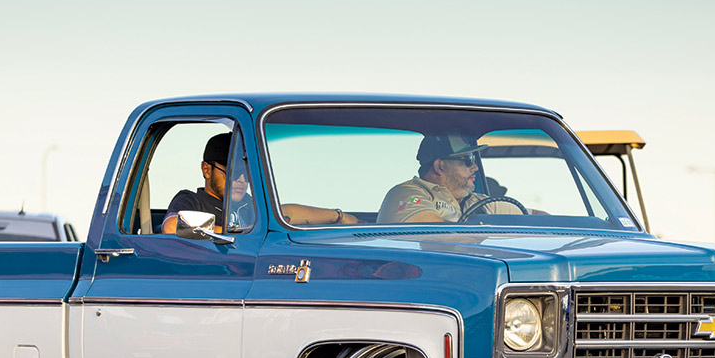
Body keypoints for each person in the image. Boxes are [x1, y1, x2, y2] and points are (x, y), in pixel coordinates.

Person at [162, 134, 358, 234]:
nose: (241, 180)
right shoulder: (192, 201)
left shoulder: (249, 205)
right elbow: (172, 226)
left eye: (246, 173)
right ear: (207, 170)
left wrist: (339, 217)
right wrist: (240, 232)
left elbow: (286, 212)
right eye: (233, 172)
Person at [377, 134, 522, 224]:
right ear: (440, 166)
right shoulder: (410, 194)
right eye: (468, 160)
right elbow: (431, 233)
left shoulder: (482, 202)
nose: (475, 167)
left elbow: (537, 219)